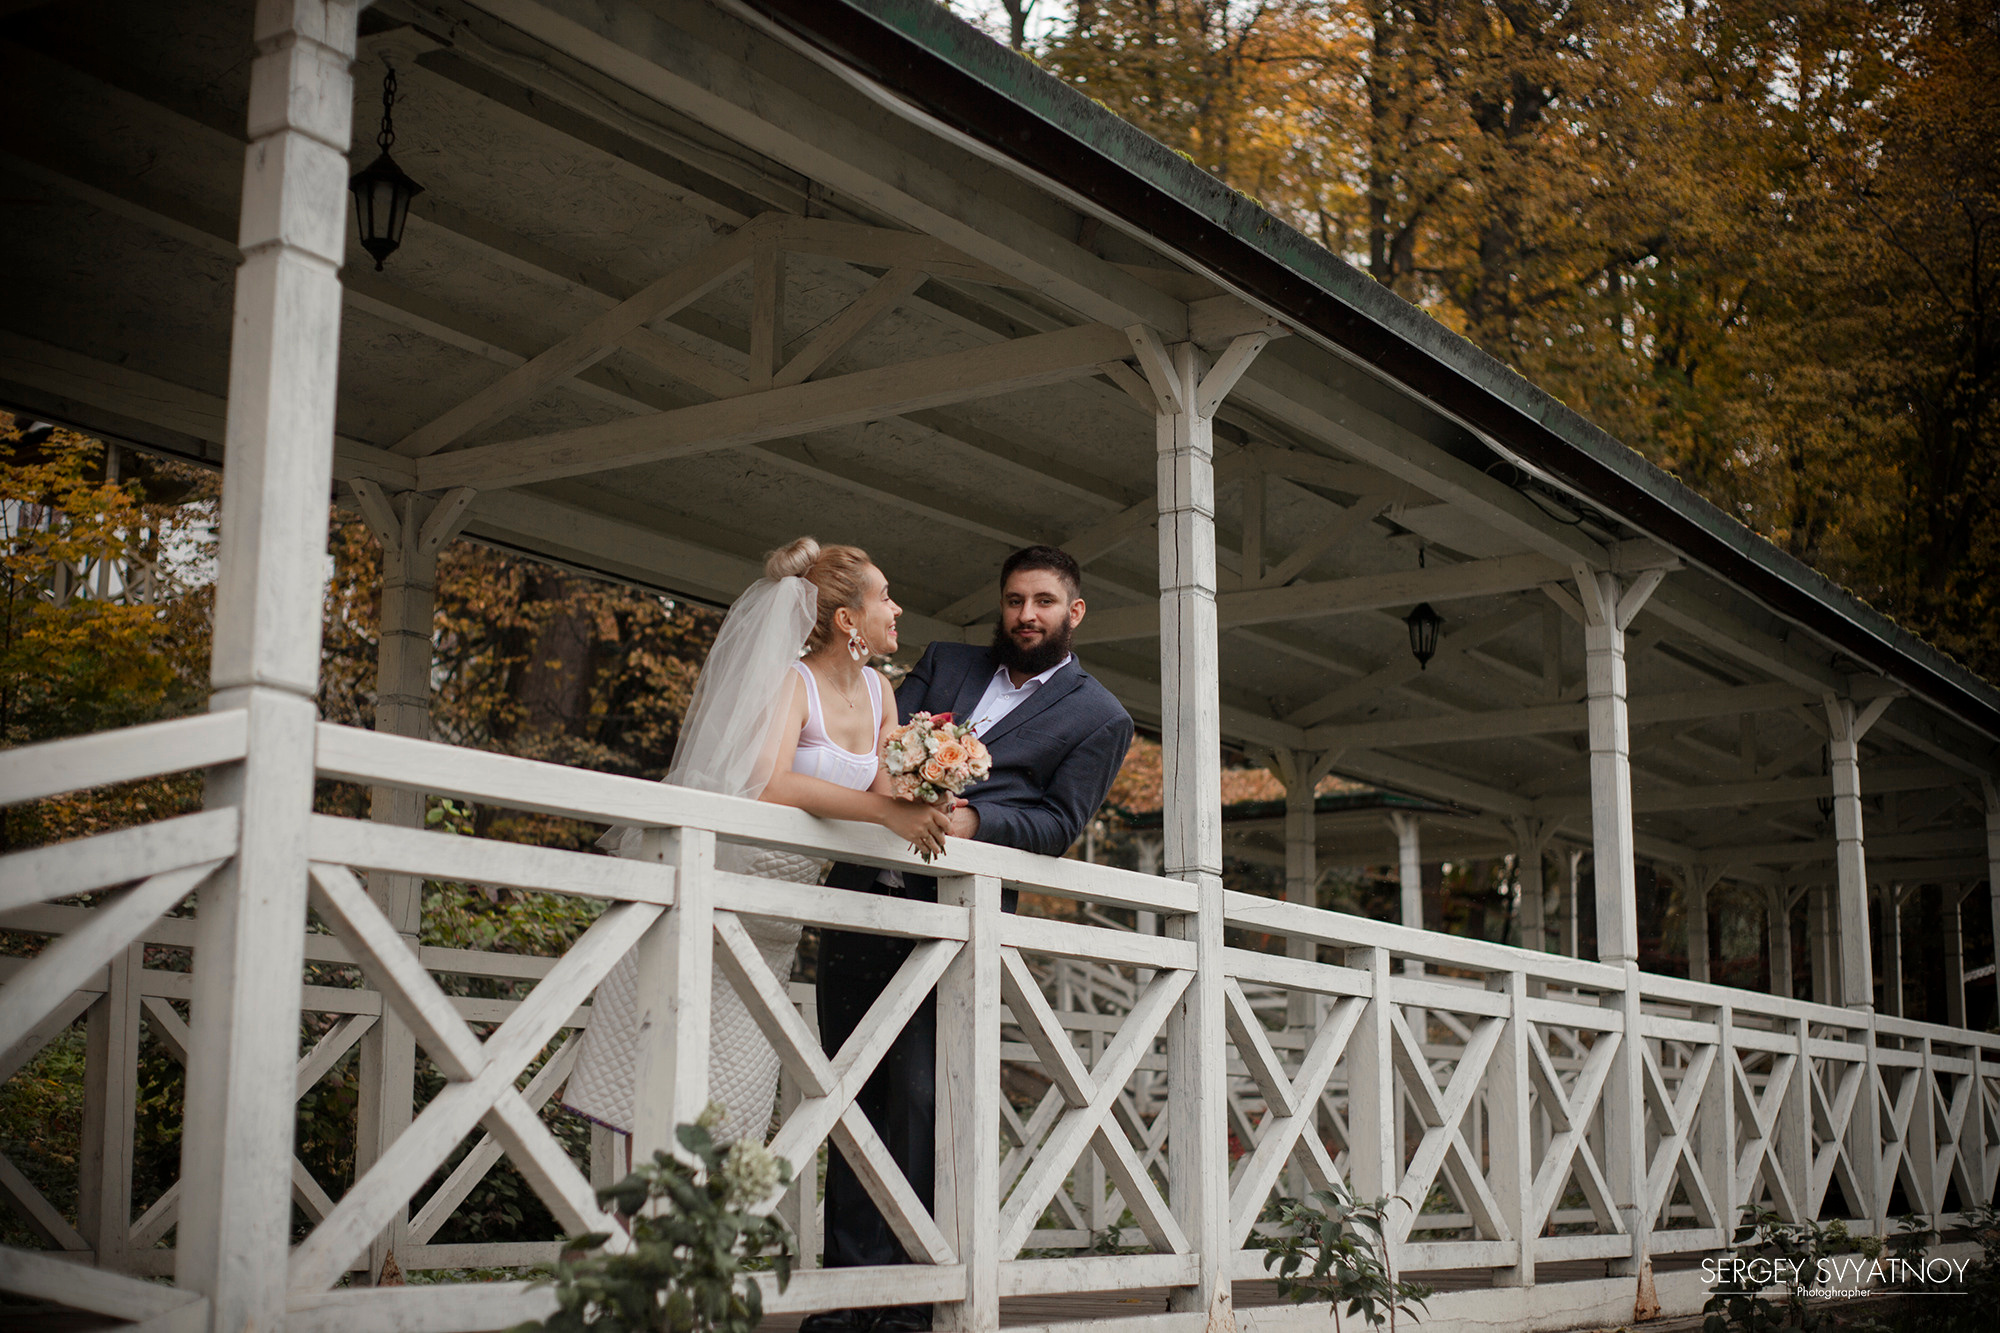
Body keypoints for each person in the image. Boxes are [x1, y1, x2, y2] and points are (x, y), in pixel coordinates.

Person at [807, 545, 1134, 1333]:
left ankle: (910, 1303)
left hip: (959, 923)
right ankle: (845, 1297)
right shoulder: (947, 662)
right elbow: (883, 744)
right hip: (861, 898)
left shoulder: (1101, 716)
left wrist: (972, 820)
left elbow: (1057, 824)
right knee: (848, 1097)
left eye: (1044, 602)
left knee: (924, 1101)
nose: (1026, 614)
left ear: (1074, 611)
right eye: (1015, 599)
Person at [565, 538, 952, 1149]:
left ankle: (711, 1202)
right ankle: (653, 1200)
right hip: (729, 880)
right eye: (885, 597)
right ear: (847, 619)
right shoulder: (792, 682)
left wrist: (931, 790)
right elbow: (770, 783)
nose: (897, 608)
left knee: (738, 1082)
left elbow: (882, 793)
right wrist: (885, 811)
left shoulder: (882, 692)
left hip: (782, 910)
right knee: (672, 1062)